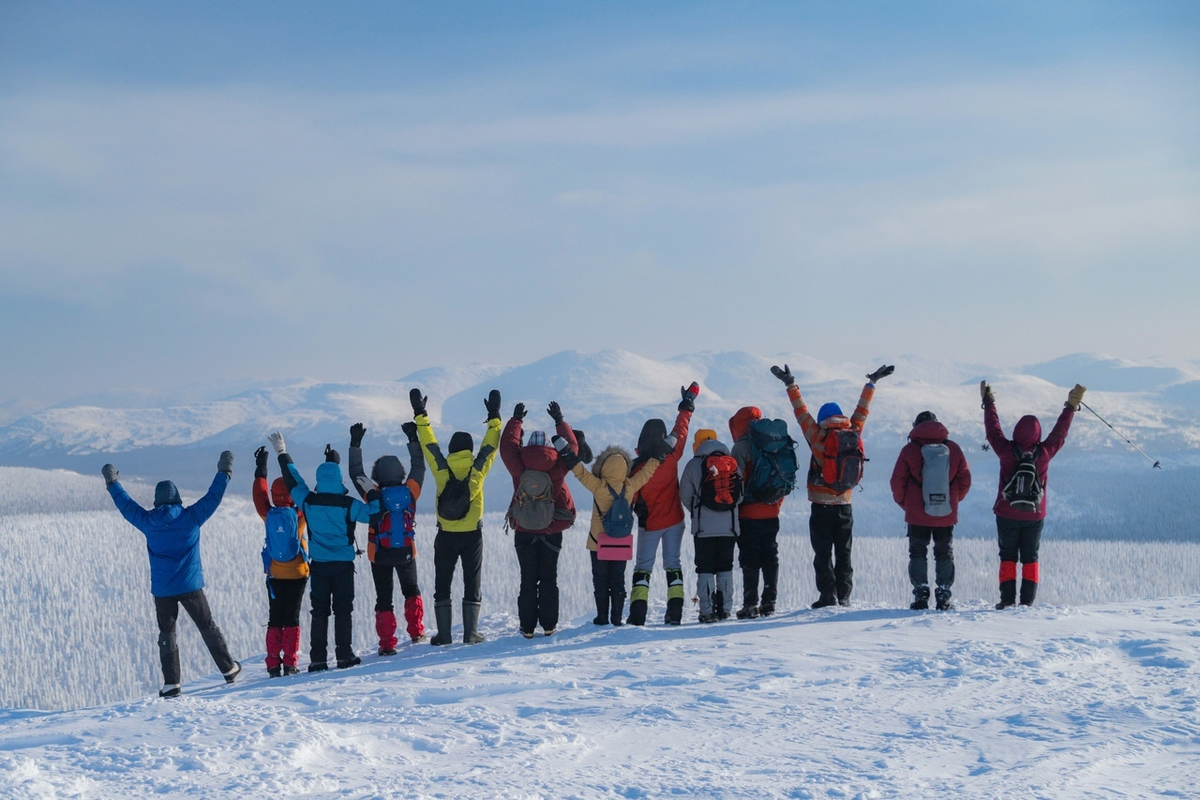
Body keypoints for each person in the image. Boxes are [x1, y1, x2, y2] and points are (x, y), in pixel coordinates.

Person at [102, 453, 241, 697]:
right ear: (177, 497)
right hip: (190, 585)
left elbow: (126, 505)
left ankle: (171, 684)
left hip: (163, 589)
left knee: (167, 634)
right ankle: (228, 668)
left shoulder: (148, 521)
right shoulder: (191, 517)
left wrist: (112, 482)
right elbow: (214, 496)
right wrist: (224, 470)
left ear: (156, 500)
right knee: (206, 625)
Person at [772, 362, 894, 608]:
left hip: (820, 505)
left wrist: (790, 384)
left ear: (822, 419)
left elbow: (800, 412)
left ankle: (828, 596)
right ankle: (845, 595)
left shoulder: (817, 435)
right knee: (844, 552)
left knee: (823, 553)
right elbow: (862, 411)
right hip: (845, 505)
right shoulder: (853, 432)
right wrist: (871, 383)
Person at [269, 432, 380, 671]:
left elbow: (292, 479)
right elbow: (375, 513)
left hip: (318, 565)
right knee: (343, 610)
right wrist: (370, 490)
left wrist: (282, 451)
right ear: (339, 479)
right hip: (343, 565)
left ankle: (318, 659)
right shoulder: (349, 504)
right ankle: (344, 655)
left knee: (319, 612)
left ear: (319, 479)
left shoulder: (308, 500)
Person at [982, 380, 1086, 608]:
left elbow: (993, 430)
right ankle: (1027, 603)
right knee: (1031, 558)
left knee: (1008, 556)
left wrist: (989, 403)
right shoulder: (1044, 453)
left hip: (1007, 512)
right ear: (1038, 433)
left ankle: (1007, 601)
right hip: (1035, 514)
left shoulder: (1007, 451)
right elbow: (1060, 432)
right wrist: (1070, 406)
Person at [411, 386, 502, 645]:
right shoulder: (477, 469)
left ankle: (444, 634)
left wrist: (420, 413)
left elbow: (428, 444)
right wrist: (495, 415)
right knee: (472, 581)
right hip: (472, 534)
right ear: (469, 449)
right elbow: (490, 446)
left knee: (443, 581)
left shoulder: (442, 468)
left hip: (446, 534)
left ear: (451, 449)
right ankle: (471, 633)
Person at [555, 436, 662, 627]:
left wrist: (565, 450)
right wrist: (657, 457)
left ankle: (602, 617)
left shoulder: (598, 487)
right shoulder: (629, 487)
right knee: (618, 581)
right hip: (621, 542)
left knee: (600, 581)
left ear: (603, 467)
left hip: (598, 542)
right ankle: (616, 618)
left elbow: (579, 471)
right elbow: (646, 473)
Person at [500, 401, 579, 638]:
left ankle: (527, 628)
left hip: (524, 528)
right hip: (551, 529)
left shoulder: (519, 465)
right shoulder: (558, 465)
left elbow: (507, 446)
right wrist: (560, 421)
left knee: (527, 579)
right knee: (548, 577)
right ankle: (548, 625)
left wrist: (516, 420)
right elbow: (573, 448)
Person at [347, 421, 427, 654]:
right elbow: (419, 466)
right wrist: (413, 438)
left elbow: (356, 474)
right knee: (411, 589)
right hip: (406, 551)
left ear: (378, 475)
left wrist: (355, 444)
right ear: (400, 473)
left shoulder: (373, 494)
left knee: (384, 598)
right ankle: (416, 631)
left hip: (379, 553)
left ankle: (387, 644)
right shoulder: (411, 491)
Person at [627, 383, 699, 626]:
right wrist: (687, 405)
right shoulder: (671, 456)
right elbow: (681, 430)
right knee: (673, 566)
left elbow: (631, 497)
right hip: (675, 520)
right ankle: (675, 613)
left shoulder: (636, 466)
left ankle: (637, 616)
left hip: (651, 524)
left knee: (643, 569)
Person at [889, 411, 972, 611]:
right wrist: (951, 502)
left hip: (917, 514)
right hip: (945, 513)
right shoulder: (953, 449)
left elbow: (896, 482)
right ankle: (943, 596)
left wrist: (907, 505)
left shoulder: (909, 450)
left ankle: (921, 595)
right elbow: (965, 479)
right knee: (944, 553)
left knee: (917, 552)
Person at [727, 406, 790, 618]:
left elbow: (736, 484)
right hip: (771, 512)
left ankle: (750, 604)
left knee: (750, 559)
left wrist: (736, 508)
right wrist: (774, 504)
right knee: (770, 556)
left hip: (748, 514)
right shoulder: (773, 444)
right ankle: (770, 602)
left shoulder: (741, 448)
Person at [252, 446, 309, 676]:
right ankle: (291, 662)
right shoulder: (300, 514)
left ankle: (273, 664)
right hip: (298, 572)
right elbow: (302, 489)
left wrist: (260, 471)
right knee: (292, 617)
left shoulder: (268, 514)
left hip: (275, 573)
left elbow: (259, 495)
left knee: (275, 616)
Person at [679, 431, 742, 622]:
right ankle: (724, 609)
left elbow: (684, 494)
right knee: (725, 566)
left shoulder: (693, 465)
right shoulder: (732, 464)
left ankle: (706, 611)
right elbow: (739, 495)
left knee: (704, 568)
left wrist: (698, 511)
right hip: (729, 528)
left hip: (703, 528)